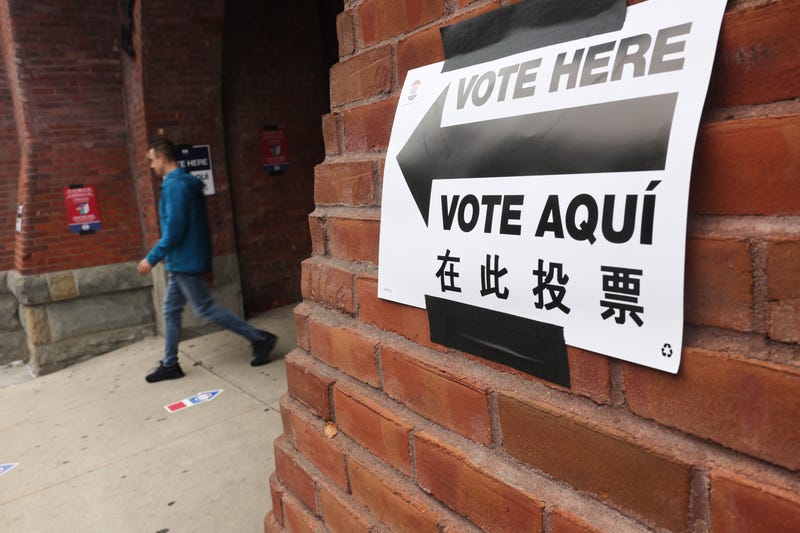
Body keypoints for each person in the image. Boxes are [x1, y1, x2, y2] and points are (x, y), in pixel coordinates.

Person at [138, 138, 276, 383]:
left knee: (204, 308)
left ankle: (259, 338)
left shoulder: (175, 186)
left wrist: (152, 257)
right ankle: (170, 363)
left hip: (184, 261)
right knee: (171, 310)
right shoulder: (184, 183)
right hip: (183, 259)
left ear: (162, 158)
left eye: (151, 160)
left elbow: (175, 230)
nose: (150, 165)